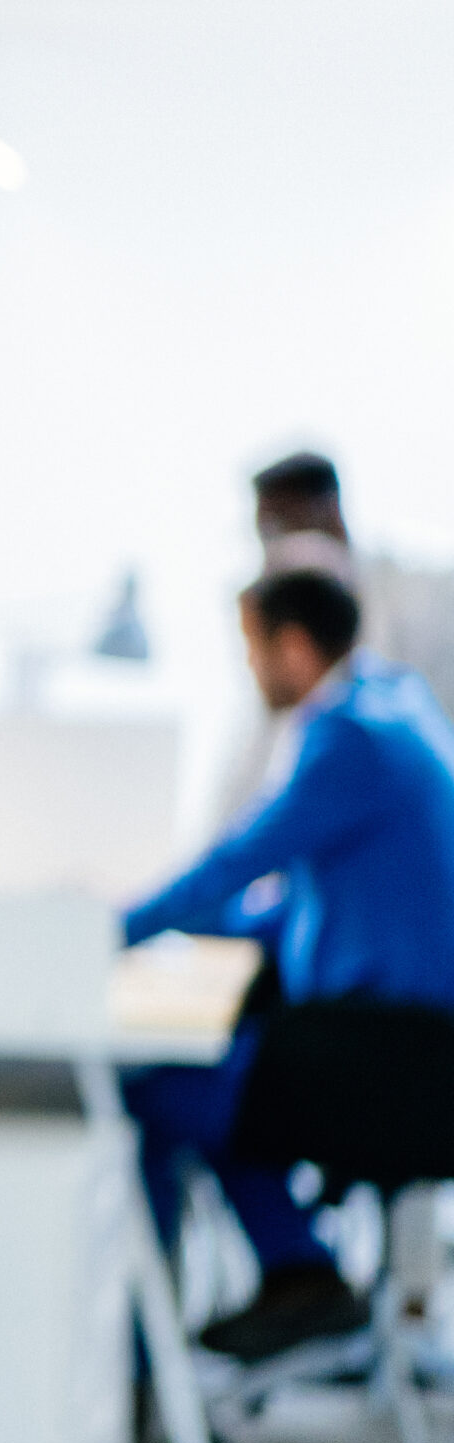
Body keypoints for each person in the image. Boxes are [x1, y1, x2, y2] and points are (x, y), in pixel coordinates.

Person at [122, 568, 454, 1363]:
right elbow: (298, 894)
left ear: (294, 645)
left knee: (160, 1088)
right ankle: (298, 1273)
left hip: (399, 1060)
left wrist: (109, 928)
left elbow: (241, 858)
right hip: (420, 1047)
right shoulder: (394, 701)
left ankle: (248, 1303)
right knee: (223, 1063)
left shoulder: (347, 736)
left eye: (251, 649)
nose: (250, 671)